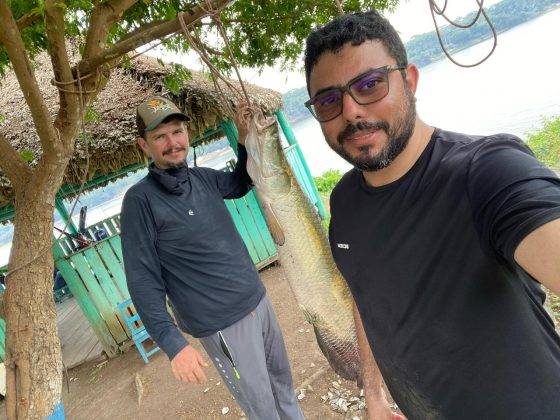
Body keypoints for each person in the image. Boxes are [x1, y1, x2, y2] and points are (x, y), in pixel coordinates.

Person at [303, 10, 560, 420]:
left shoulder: (487, 172)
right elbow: (364, 298)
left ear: (409, 81)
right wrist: (373, 391)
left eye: (370, 84)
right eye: (329, 100)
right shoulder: (345, 203)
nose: (350, 111)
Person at [120, 96, 303, 420]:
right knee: (262, 406)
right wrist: (173, 344)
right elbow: (142, 280)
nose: (173, 142)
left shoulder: (202, 178)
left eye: (177, 131)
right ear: (143, 145)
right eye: (160, 136)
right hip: (221, 324)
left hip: (258, 301)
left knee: (283, 386)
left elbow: (240, 183)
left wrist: (243, 140)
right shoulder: (140, 202)